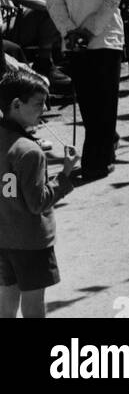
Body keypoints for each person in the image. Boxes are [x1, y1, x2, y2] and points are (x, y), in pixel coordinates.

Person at [46, 0, 124, 182]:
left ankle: (100, 155)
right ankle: (97, 161)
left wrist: (70, 31)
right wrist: (90, 30)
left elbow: (53, 0)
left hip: (75, 42)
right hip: (104, 38)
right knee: (105, 101)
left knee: (90, 102)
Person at [0, 65, 78, 318]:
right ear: (16, 105)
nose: (44, 110)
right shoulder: (29, 151)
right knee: (34, 306)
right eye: (38, 103)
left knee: (7, 299)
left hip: (3, 238)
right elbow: (38, 203)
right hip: (30, 242)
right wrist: (65, 175)